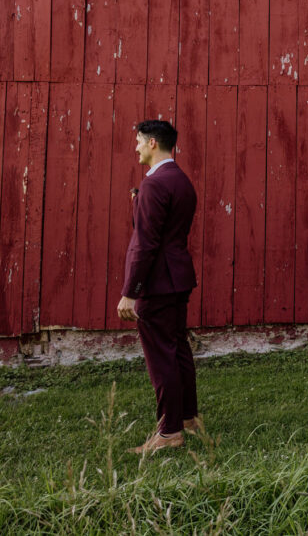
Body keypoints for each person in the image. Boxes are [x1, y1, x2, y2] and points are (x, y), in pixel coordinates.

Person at [117, 120, 200, 453]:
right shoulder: (181, 181)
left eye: (138, 141)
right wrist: (139, 200)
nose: (135, 147)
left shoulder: (154, 185)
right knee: (178, 350)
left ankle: (169, 432)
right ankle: (189, 420)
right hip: (178, 277)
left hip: (157, 283)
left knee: (161, 356)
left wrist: (130, 291)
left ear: (153, 143)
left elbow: (146, 243)